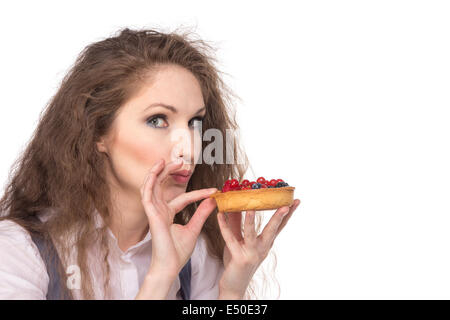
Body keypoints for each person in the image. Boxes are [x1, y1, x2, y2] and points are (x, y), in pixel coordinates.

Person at [0, 27, 300, 300]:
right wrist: (161, 276)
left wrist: (232, 289)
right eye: (158, 120)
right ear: (97, 133)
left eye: (195, 122)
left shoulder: (196, 254)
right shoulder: (19, 253)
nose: (189, 146)